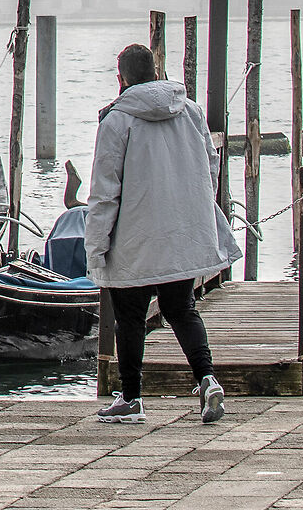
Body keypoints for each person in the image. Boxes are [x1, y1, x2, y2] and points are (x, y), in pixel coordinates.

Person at [84, 43, 238, 425]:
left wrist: (96, 247)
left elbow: (105, 193)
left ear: (120, 79)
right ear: (156, 71)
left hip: (134, 239)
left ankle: (132, 398)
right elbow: (210, 167)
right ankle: (206, 378)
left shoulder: (116, 122)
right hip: (180, 233)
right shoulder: (190, 111)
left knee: (131, 317)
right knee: (181, 309)